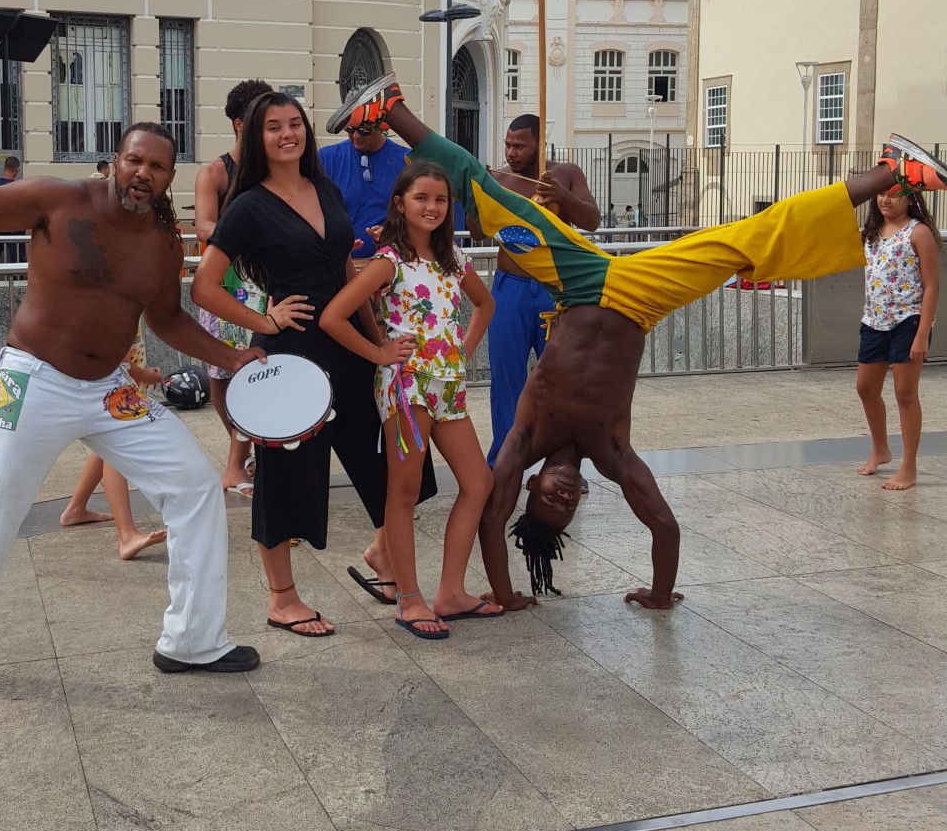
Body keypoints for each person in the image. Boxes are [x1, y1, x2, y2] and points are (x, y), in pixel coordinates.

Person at [327, 76, 947, 612]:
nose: (561, 497)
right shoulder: (611, 451)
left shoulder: (527, 434)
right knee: (751, 235)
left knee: (484, 195)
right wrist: (659, 592)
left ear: (536, 487)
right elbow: (663, 524)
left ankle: (390, 109)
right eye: (566, 507)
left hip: (578, 276)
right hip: (638, 296)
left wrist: (506, 590)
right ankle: (895, 171)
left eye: (548, 501)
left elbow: (494, 516)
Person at [0, 97, 263, 703]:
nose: (143, 175)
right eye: (134, 161)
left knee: (194, 485)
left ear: (170, 177)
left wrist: (232, 357)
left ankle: (192, 640)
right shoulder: (58, 199)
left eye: (157, 168)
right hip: (33, 379)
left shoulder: (162, 238)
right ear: (113, 162)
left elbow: (166, 318)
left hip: (110, 391)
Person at [192, 92, 436, 639]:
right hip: (295, 356)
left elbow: (348, 266)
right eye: (273, 126)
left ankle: (384, 557)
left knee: (387, 462)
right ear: (256, 137)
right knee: (286, 474)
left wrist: (377, 343)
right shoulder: (248, 204)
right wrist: (267, 320)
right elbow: (204, 288)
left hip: (348, 346)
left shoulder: (323, 185)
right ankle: (282, 598)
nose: (287, 134)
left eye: (295, 124)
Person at [320, 160, 498, 638]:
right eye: (421, 198)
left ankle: (452, 592)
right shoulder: (389, 261)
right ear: (400, 203)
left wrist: (461, 349)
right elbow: (334, 316)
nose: (432, 207)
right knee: (403, 491)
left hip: (448, 385)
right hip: (407, 387)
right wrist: (379, 352)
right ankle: (409, 598)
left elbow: (485, 304)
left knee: (478, 482)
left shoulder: (454, 260)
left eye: (440, 199)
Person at [482, 113, 598, 464]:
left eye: (519, 145)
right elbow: (475, 230)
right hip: (510, 289)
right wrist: (478, 191)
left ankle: (562, 458)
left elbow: (591, 220)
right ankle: (505, 456)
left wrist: (561, 195)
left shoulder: (566, 174)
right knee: (506, 378)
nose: (511, 152)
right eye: (508, 144)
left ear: (539, 146)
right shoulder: (500, 179)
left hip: (554, 291)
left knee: (562, 379)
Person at [193, 78, 273, 494]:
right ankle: (237, 455)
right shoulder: (215, 171)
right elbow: (203, 224)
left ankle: (250, 452)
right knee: (223, 370)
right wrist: (245, 232)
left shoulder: (275, 168)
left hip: (267, 281)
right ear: (242, 123)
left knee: (261, 366)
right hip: (226, 281)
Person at [856, 182, 940, 491]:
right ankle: (881, 449)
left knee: (905, 394)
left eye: (894, 193)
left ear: (911, 197)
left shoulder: (919, 233)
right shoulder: (871, 233)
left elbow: (931, 286)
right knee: (865, 388)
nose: (886, 199)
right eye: (881, 193)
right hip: (874, 320)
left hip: (908, 321)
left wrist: (922, 335)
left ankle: (909, 467)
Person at [60, 341, 169, 559]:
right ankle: (127, 535)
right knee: (118, 441)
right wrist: (146, 375)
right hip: (111, 380)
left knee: (107, 446)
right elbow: (116, 356)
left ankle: (76, 508)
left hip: (116, 376)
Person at [319, 118, 411, 258]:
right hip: (338, 265)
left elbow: (417, 217)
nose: (355, 136)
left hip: (390, 265)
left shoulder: (406, 162)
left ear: (381, 126)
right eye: (350, 129)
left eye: (364, 130)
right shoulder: (325, 158)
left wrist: (394, 233)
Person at [0, 155, 26, 264]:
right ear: (16, 170)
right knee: (18, 259)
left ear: (5, 167)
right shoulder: (19, 187)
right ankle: (18, 279)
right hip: (15, 229)